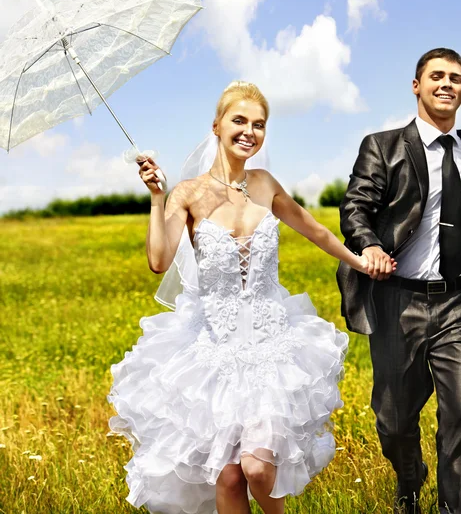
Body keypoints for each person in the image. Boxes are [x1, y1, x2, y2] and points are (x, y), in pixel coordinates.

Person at [108, 81, 373, 514]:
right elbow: (159, 260)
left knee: (256, 468)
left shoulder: (265, 184)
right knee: (229, 475)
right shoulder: (187, 195)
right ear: (216, 126)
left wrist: (359, 262)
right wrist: (158, 198)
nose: (249, 131)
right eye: (239, 121)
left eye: (259, 124)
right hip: (213, 349)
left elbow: (317, 231)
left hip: (272, 346)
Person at [337, 48, 461, 514]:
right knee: (393, 420)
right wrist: (367, 244)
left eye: (456, 78)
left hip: (457, 303)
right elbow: (355, 205)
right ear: (417, 85)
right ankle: (410, 479)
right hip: (398, 300)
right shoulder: (383, 145)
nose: (447, 84)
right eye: (437, 76)